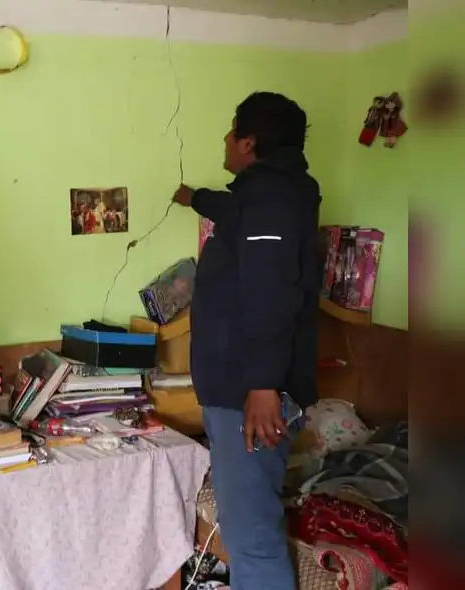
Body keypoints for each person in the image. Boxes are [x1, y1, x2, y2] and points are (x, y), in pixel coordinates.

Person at [172, 91, 321, 590]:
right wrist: (192, 198)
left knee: (250, 537)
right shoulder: (262, 196)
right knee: (245, 528)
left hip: (249, 397)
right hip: (236, 391)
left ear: (248, 142)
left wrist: (261, 386)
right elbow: (231, 210)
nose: (225, 138)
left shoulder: (271, 200)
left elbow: (271, 293)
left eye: (231, 130)